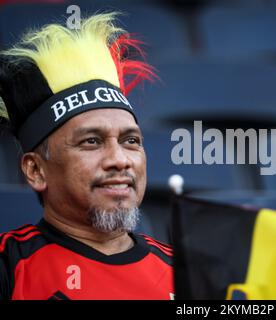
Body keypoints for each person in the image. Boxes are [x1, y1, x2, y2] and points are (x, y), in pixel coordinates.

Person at [0, 13, 173, 300]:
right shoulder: (9, 265)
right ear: (35, 170)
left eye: (131, 141)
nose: (120, 160)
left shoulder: (185, 273)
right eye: (91, 141)